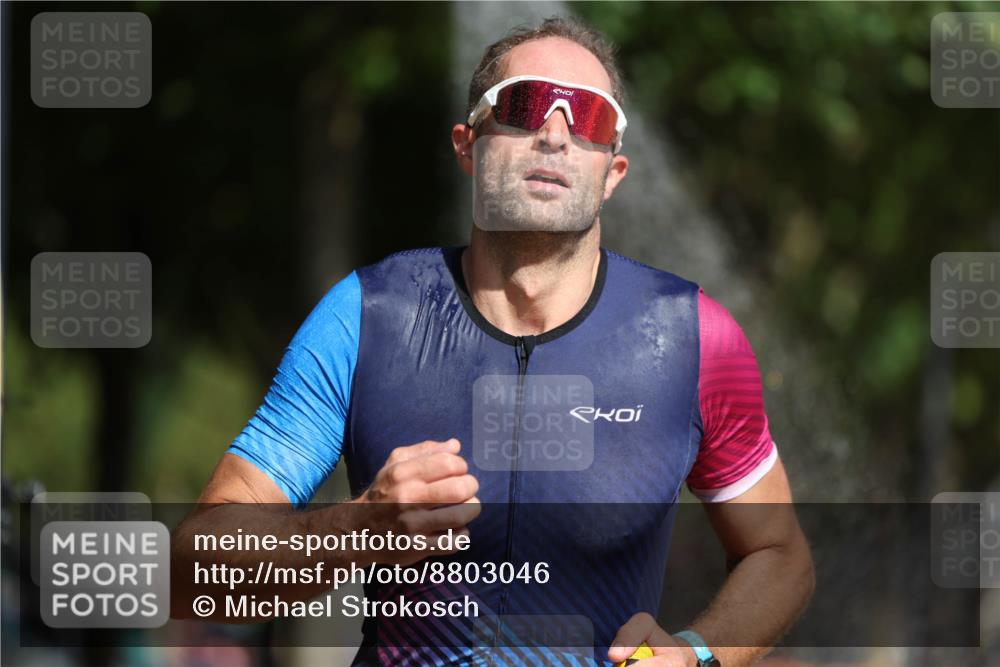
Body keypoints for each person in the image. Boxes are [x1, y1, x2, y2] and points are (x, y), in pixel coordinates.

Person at [173, 16, 814, 667]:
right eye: (526, 104)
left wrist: (698, 654)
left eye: (589, 117)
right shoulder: (367, 315)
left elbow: (779, 553)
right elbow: (193, 571)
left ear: (613, 170)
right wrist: (355, 530)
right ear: (467, 144)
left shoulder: (695, 338)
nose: (556, 133)